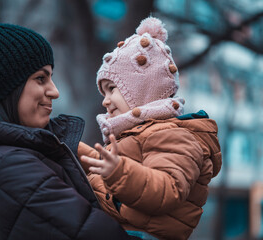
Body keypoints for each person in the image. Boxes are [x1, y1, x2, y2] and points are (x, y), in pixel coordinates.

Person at [0, 13, 131, 240]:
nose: (54, 91)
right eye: (41, 79)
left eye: (50, 77)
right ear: (6, 88)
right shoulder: (12, 167)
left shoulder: (15, 157)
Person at [79, 17, 222, 240]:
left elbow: (167, 188)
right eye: (103, 93)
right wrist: (75, 149)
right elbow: (122, 169)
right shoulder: (140, 133)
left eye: (112, 89)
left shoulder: (173, 135)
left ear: (141, 89)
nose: (105, 101)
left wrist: (117, 172)